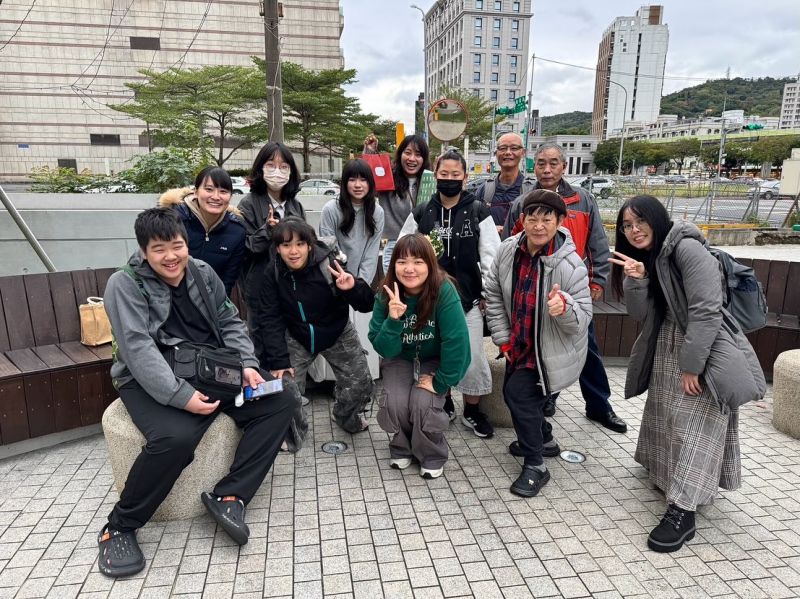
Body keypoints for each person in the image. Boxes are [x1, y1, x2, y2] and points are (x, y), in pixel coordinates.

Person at [97, 208, 293, 578]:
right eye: (159, 249)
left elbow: (229, 320)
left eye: (177, 246)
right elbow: (138, 350)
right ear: (143, 251)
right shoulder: (124, 285)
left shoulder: (202, 272)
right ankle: (119, 526)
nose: (171, 256)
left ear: (186, 243)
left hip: (209, 367)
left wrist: (246, 363)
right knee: (175, 438)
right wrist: (179, 396)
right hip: (148, 379)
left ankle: (230, 494)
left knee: (278, 397)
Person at [609, 196, 765, 553]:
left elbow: (707, 310)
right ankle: (667, 477)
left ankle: (683, 511)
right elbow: (639, 314)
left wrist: (693, 365)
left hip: (703, 345)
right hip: (668, 341)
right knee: (668, 417)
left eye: (639, 221)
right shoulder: (651, 255)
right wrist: (637, 279)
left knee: (695, 425)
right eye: (627, 226)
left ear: (657, 218)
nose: (633, 230)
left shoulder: (687, 248)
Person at [503, 142, 627, 436]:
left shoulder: (582, 200)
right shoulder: (522, 202)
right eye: (541, 163)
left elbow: (597, 242)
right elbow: (508, 244)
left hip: (571, 287)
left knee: (587, 348)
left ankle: (599, 404)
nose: (547, 169)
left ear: (564, 166)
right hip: (532, 288)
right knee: (538, 346)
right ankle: (547, 396)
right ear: (534, 166)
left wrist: (597, 280)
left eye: (553, 163)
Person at [485, 190, 591, 497]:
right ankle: (544, 438)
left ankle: (536, 465)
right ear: (522, 219)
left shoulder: (571, 265)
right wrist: (503, 339)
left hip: (549, 351)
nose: (539, 226)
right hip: (518, 342)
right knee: (519, 396)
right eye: (533, 218)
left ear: (560, 221)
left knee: (517, 395)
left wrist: (565, 307)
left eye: (547, 219)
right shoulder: (508, 250)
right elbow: (493, 291)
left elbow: (582, 319)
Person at [399, 150, 501, 438]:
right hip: (429, 301)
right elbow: (403, 249)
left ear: (465, 178)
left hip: (468, 300)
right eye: (444, 174)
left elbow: (492, 257)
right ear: (436, 175)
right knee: (436, 353)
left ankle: (472, 410)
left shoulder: (478, 210)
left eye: (456, 175)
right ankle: (443, 401)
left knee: (471, 356)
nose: (449, 179)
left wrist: (487, 294)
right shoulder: (423, 211)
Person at [251, 217, 375, 435]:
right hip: (297, 334)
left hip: (337, 331)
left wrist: (352, 288)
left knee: (361, 383)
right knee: (284, 385)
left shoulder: (329, 264)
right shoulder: (273, 273)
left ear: (309, 245)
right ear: (277, 248)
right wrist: (279, 361)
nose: (293, 251)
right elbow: (269, 318)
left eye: (300, 244)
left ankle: (345, 416)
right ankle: (294, 431)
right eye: (286, 245)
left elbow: (367, 305)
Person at [368, 233, 470, 479]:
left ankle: (431, 452)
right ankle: (402, 446)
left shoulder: (443, 290)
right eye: (402, 261)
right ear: (393, 264)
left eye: (418, 261)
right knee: (395, 401)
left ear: (430, 264)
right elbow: (384, 348)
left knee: (423, 402)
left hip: (432, 357)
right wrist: (393, 320)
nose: (409, 269)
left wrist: (442, 381)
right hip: (400, 356)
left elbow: (457, 341)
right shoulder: (386, 293)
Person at [158, 166, 245, 296]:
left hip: (208, 300)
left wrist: (218, 305)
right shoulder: (172, 220)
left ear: (230, 196)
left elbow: (227, 280)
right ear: (195, 191)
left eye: (223, 191)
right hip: (166, 296)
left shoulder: (237, 230)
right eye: (209, 189)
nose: (216, 197)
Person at [238, 141, 305, 292]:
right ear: (260, 169)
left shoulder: (296, 206)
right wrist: (267, 231)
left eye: (284, 167)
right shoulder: (248, 204)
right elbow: (242, 248)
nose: (277, 172)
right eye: (270, 165)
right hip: (259, 289)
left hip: (292, 287)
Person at [320, 158, 385, 283]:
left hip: (361, 282)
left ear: (370, 183)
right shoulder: (331, 209)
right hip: (335, 278)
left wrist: (360, 285)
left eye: (363, 180)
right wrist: (342, 278)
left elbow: (372, 252)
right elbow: (329, 249)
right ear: (345, 182)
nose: (357, 185)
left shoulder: (377, 212)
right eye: (352, 179)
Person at [379, 134, 431, 272]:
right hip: (394, 245)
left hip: (422, 247)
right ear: (400, 154)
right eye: (407, 153)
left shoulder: (430, 181)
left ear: (424, 159)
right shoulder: (388, 179)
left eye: (418, 154)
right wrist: (369, 152)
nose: (412, 158)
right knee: (393, 284)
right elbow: (368, 180)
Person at [474, 132, 535, 237]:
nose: (508, 152)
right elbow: (473, 222)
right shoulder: (484, 189)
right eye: (503, 148)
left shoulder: (531, 190)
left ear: (523, 153)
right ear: (496, 153)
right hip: (491, 246)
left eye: (514, 148)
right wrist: (491, 229)